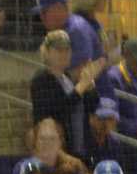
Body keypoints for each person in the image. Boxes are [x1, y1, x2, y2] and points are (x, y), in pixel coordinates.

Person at [26, 27, 94, 155]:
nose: (64, 54)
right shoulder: (41, 80)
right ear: (46, 52)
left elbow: (92, 106)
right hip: (54, 149)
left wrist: (90, 86)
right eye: (58, 50)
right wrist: (81, 87)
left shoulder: (68, 78)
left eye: (67, 50)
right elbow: (59, 108)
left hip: (78, 146)